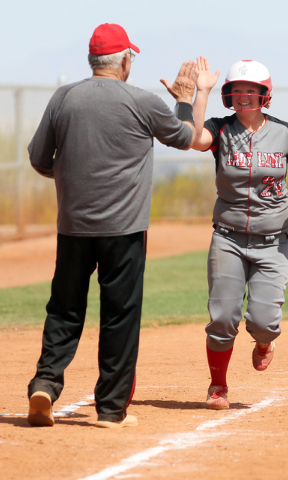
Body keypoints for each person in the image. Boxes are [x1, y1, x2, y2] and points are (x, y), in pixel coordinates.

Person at [26, 23, 198, 428]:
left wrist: (71, 175)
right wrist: (186, 100)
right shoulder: (143, 101)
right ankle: (109, 410)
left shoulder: (63, 97)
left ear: (92, 59)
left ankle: (46, 384)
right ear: (124, 61)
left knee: (65, 309)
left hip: (73, 226)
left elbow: (38, 158)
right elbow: (185, 137)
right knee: (120, 314)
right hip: (124, 229)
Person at [191, 57, 288, 409]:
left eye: (252, 91)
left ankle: (264, 341)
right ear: (228, 96)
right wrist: (201, 91)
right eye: (236, 91)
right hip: (228, 238)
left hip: (274, 241)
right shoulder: (220, 130)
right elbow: (193, 139)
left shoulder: (285, 133)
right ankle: (218, 387)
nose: (244, 96)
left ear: (265, 95)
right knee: (223, 317)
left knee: (263, 322)